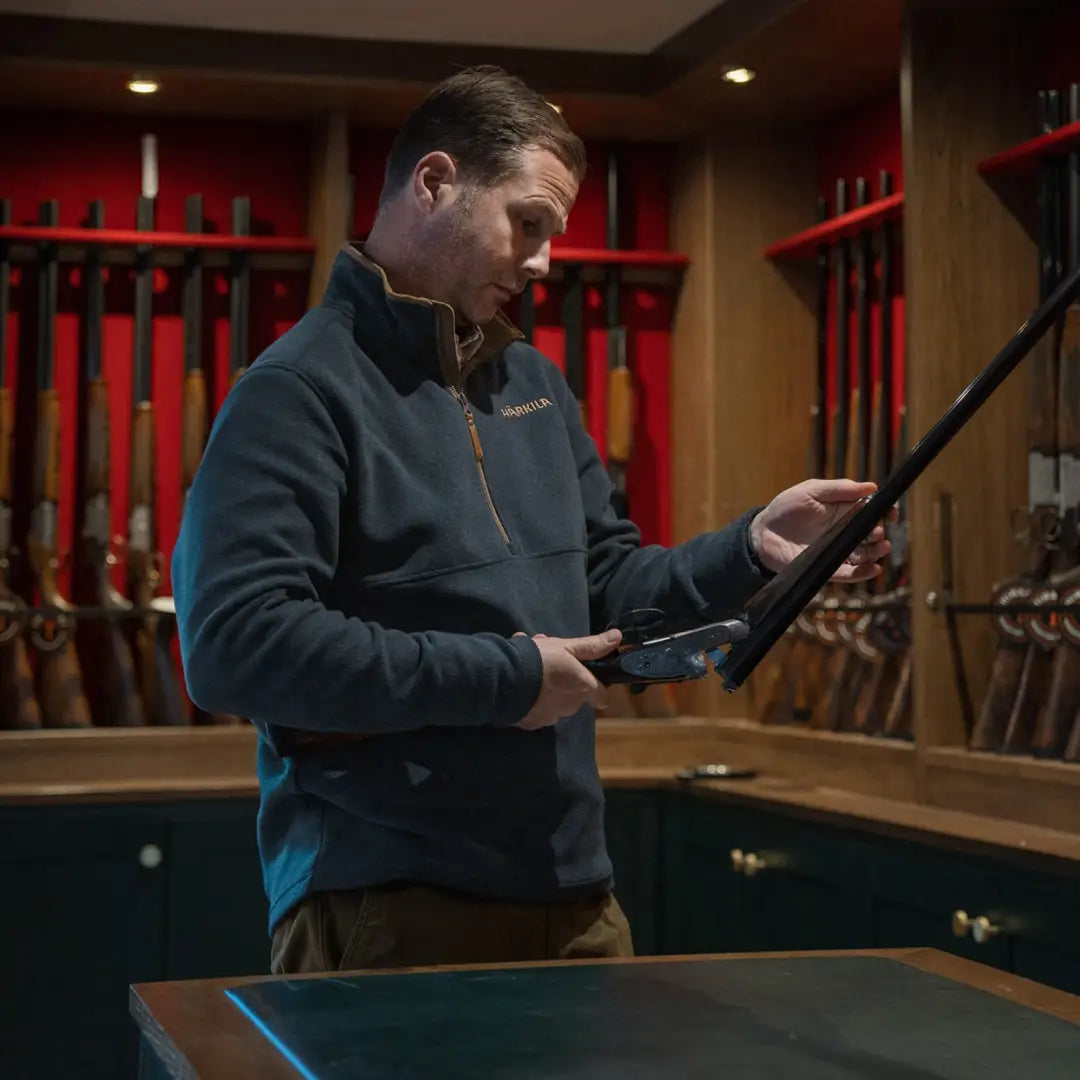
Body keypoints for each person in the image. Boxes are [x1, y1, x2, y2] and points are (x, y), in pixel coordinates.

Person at [171, 65, 890, 975]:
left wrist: (755, 549)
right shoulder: (295, 390)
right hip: (388, 907)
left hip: (576, 895)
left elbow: (608, 594)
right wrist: (504, 679)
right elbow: (235, 646)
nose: (544, 259)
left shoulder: (535, 383)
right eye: (529, 222)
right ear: (435, 183)